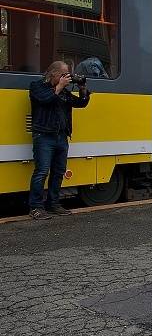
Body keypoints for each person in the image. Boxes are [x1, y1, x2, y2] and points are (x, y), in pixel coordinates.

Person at [28, 61, 91, 220]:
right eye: (63, 75)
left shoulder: (63, 91)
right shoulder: (37, 86)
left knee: (58, 172)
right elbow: (45, 100)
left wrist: (83, 88)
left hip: (61, 137)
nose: (66, 77)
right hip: (44, 136)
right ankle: (36, 207)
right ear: (53, 74)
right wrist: (59, 87)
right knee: (42, 172)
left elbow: (81, 103)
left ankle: (53, 204)